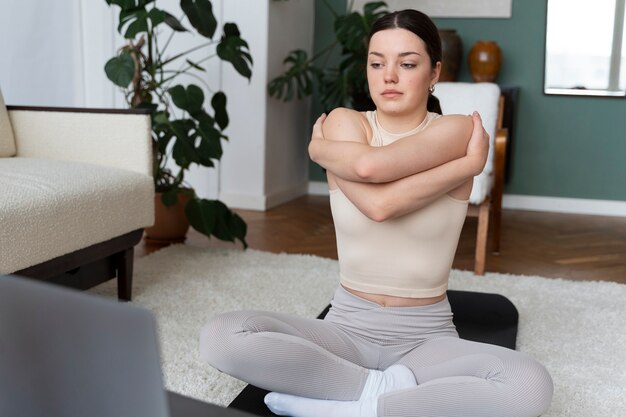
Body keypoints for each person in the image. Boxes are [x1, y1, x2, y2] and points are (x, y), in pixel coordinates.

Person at [199, 9, 553, 417]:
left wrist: (323, 154)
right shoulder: (345, 124)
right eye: (377, 62)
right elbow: (375, 187)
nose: (389, 76)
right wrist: (467, 167)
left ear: (434, 73)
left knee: (530, 386)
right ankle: (377, 392)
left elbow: (375, 191)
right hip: (345, 330)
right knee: (222, 335)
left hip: (428, 339)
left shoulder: (455, 131)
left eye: (407, 63)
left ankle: (351, 407)